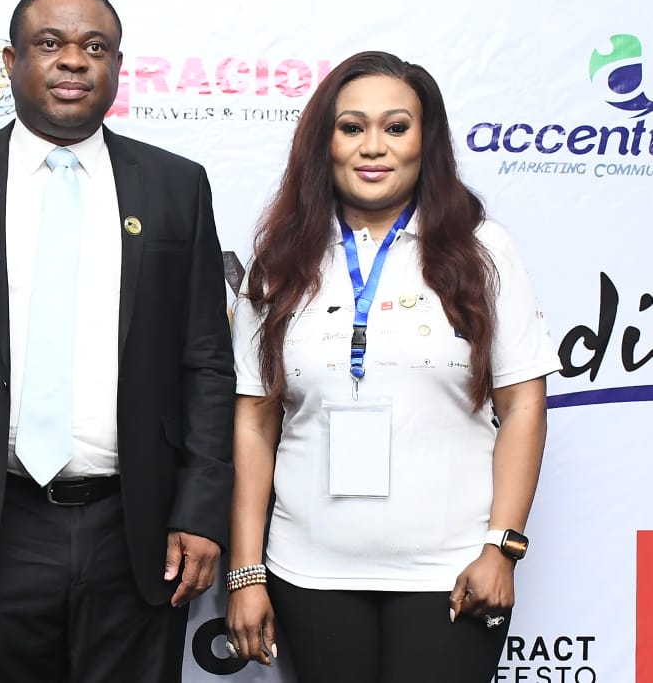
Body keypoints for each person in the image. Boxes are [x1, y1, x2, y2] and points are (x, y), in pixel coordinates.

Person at [0, 0, 234, 683]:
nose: (74, 60)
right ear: (10, 62)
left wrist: (200, 511)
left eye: (94, 46)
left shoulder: (175, 185)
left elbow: (207, 365)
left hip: (136, 526)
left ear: (118, 68)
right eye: (50, 43)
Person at [225, 51, 560, 682]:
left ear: (425, 142)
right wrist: (246, 571)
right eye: (351, 127)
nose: (372, 147)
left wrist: (502, 548)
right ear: (323, 142)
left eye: (396, 127)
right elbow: (253, 421)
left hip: (453, 572)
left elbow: (522, 406)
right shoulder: (279, 260)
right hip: (309, 572)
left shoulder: (483, 251)